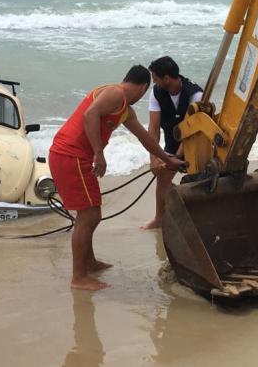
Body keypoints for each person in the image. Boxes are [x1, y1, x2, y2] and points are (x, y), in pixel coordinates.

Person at [49, 65, 185, 291]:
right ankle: (78, 277)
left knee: (90, 212)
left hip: (75, 156)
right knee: (89, 215)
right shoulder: (115, 93)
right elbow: (89, 114)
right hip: (70, 155)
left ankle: (89, 263)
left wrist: (168, 160)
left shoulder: (125, 110)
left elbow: (145, 138)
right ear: (142, 87)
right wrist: (99, 154)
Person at [141, 56, 203, 230]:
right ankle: (159, 218)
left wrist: (174, 158)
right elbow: (153, 128)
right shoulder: (157, 92)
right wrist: (154, 158)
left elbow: (192, 131)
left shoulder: (196, 94)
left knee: (198, 182)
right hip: (171, 140)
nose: (153, 82)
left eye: (155, 78)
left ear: (166, 78)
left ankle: (194, 216)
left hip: (196, 143)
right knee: (162, 179)